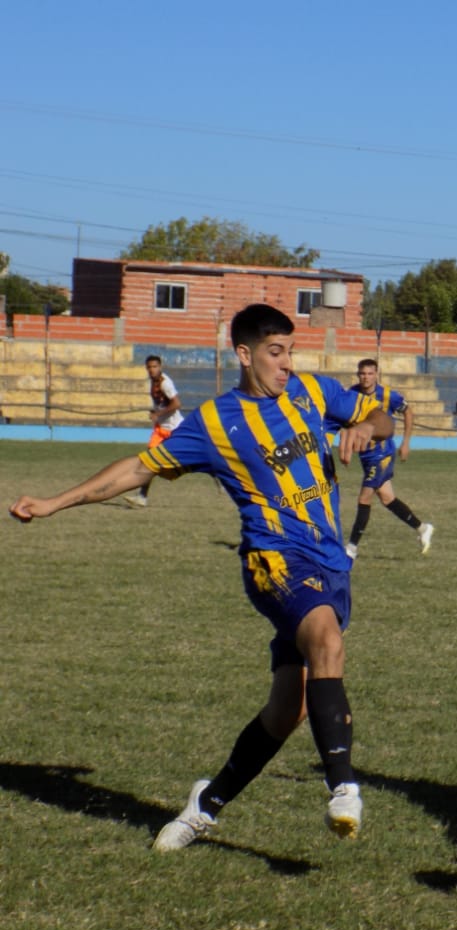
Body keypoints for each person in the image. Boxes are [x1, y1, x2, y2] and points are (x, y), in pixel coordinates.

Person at [9, 303, 394, 851]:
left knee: (289, 710)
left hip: (330, 562)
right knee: (326, 641)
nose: (286, 363)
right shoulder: (213, 423)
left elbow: (381, 416)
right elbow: (138, 468)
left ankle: (204, 806)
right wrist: (54, 502)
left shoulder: (312, 391)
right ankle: (344, 789)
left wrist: (362, 426)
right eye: (275, 352)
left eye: (290, 352)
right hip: (274, 563)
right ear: (244, 353)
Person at [344, 359, 434, 560]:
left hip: (382, 454)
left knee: (364, 497)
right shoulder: (352, 394)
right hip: (366, 455)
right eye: (362, 374)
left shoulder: (388, 396)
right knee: (387, 498)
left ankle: (351, 548)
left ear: (376, 374)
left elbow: (408, 412)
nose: (365, 377)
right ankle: (422, 528)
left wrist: (406, 442)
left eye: (369, 373)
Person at [123, 355, 184, 508]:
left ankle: (218, 477)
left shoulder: (165, 383)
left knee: (191, 460)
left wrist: (158, 414)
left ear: (160, 366)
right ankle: (142, 497)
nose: (152, 370)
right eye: (149, 367)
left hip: (174, 428)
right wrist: (157, 410)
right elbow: (164, 403)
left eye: (155, 367)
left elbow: (177, 404)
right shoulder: (153, 382)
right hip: (161, 429)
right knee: (149, 461)